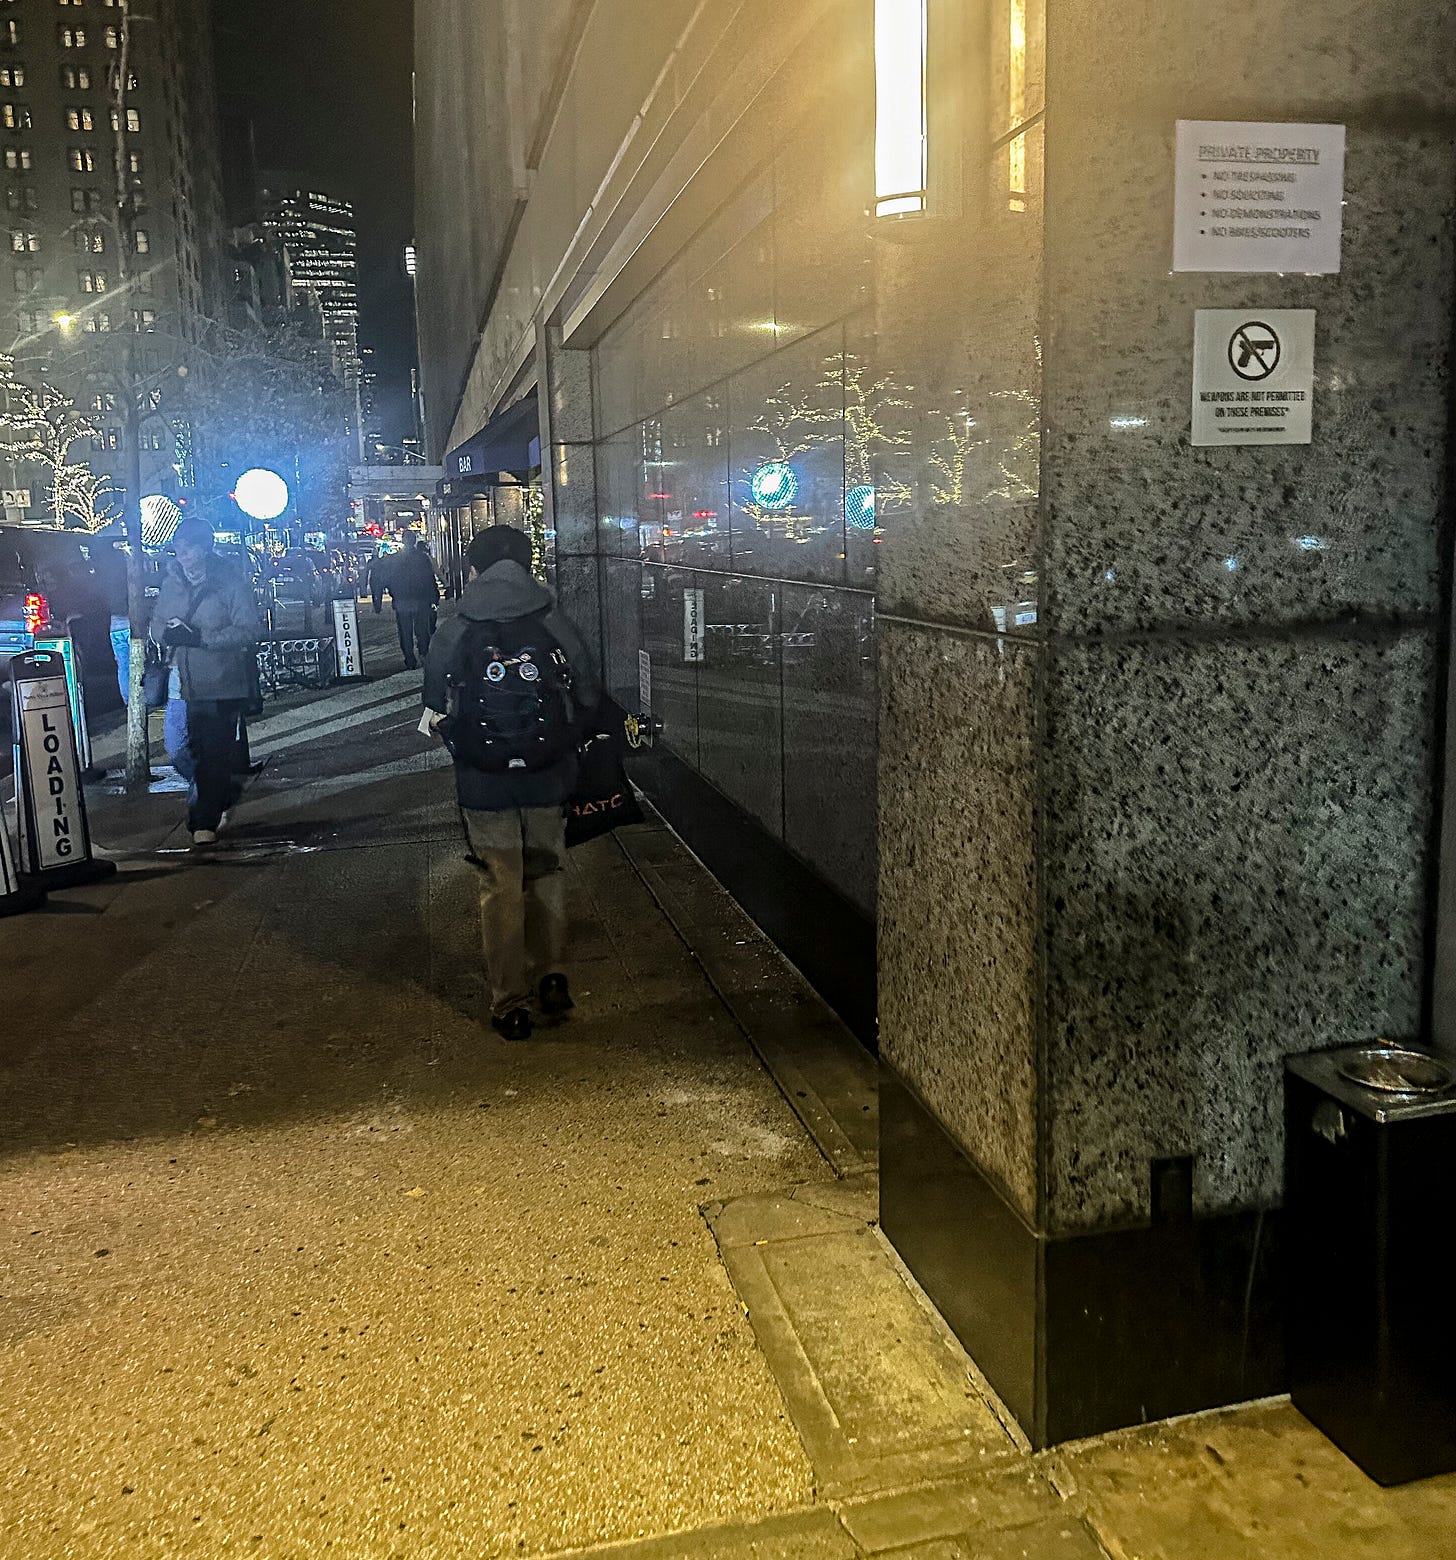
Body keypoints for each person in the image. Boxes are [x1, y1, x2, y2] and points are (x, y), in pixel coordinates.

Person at [422, 525, 600, 1040]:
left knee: (499, 883)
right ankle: (552, 977)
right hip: (547, 771)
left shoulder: (453, 621)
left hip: (483, 778)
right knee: (546, 871)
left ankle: (509, 1002)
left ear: (473, 569)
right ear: (526, 565)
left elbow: (433, 699)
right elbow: (586, 687)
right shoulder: (549, 614)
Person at [150, 519, 261, 848]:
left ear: (204, 548)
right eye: (178, 548)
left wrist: (201, 638)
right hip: (179, 681)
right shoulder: (171, 583)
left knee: (211, 752)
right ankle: (221, 790)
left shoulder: (229, 583)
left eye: (188, 548)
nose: (182, 554)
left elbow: (249, 629)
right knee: (177, 749)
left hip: (220, 681)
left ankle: (204, 821)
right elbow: (156, 621)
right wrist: (165, 632)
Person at [372, 536, 440, 669]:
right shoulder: (422, 558)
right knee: (422, 629)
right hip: (420, 599)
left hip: (402, 599)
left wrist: (378, 601)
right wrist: (434, 597)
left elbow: (383, 579)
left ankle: (410, 658)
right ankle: (423, 653)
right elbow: (429, 578)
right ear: (413, 541)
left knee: (405, 631)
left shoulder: (394, 559)